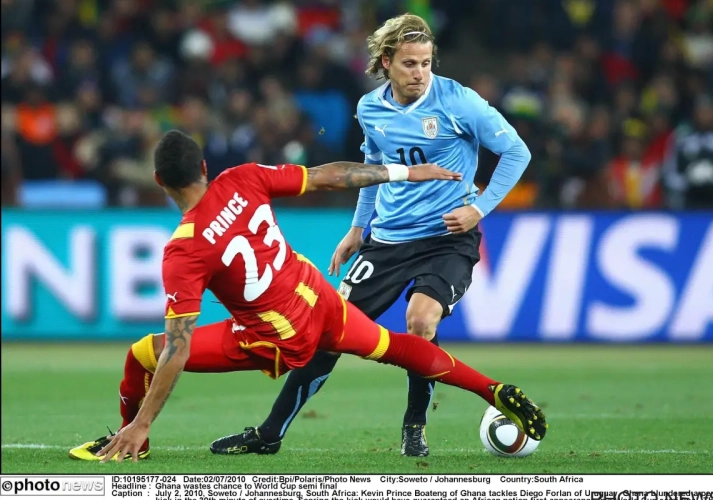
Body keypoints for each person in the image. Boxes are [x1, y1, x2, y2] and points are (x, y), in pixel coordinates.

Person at [68, 130, 546, 462]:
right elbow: (328, 175)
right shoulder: (243, 177)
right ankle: (494, 390)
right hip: (319, 299)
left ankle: (134, 440)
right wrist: (403, 174)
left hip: (278, 335)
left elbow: (177, 346)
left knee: (141, 355)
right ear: (205, 168)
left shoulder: (184, 248)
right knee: (396, 345)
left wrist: (145, 419)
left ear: (160, 183)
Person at [222, 13, 533, 458]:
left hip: (447, 237)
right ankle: (269, 434)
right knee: (329, 332)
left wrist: (478, 208)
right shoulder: (371, 109)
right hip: (386, 241)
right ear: (386, 62)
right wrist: (356, 228)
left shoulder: (459, 102)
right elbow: (373, 172)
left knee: (422, 320)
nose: (420, 73)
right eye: (409, 63)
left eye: (426, 63)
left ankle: (414, 425)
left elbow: (516, 151)